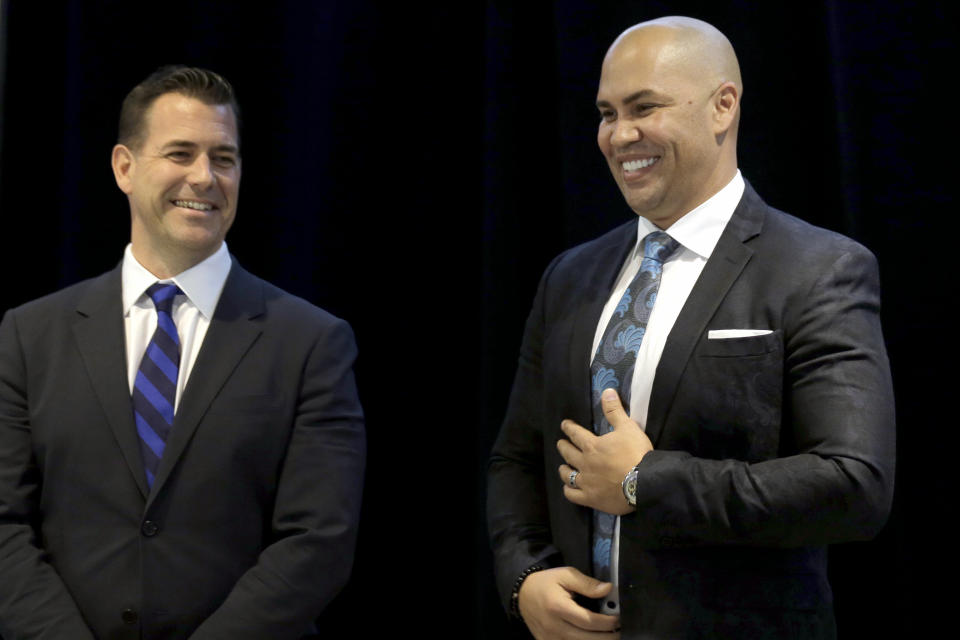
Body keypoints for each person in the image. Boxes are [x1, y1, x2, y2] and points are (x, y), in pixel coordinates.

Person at [487, 16, 894, 639]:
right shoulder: (570, 276)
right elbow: (517, 458)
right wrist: (524, 578)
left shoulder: (819, 269)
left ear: (722, 106)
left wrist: (645, 480)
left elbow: (853, 484)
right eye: (606, 113)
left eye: (644, 107)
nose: (620, 135)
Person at [0, 66, 365, 639]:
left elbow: (318, 541)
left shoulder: (312, 342)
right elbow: (4, 528)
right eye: (180, 153)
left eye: (224, 158)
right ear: (124, 167)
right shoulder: (27, 336)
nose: (205, 177)